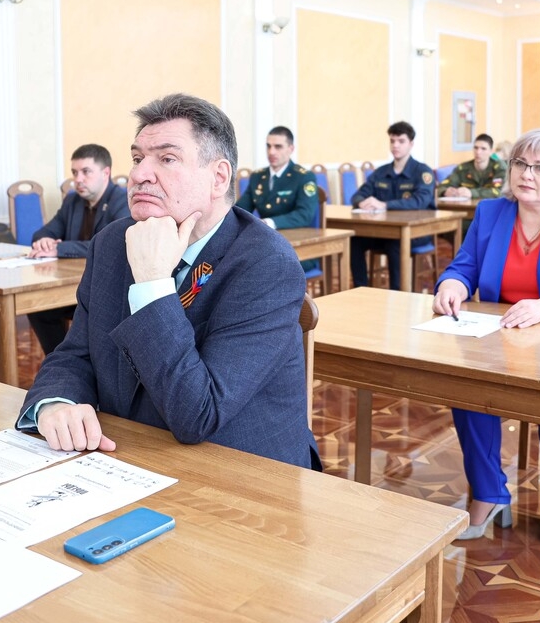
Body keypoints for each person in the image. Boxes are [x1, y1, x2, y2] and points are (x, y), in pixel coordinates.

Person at [17, 93, 319, 469]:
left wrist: (153, 283)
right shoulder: (112, 243)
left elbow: (198, 415)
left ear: (218, 178)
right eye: (138, 158)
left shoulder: (266, 264)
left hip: (241, 473)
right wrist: (55, 403)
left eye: (167, 159)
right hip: (132, 454)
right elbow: (76, 354)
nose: (139, 174)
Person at [433, 129, 540, 550]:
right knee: (466, 383)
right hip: (499, 336)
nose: (526, 174)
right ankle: (488, 492)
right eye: (520, 164)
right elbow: (464, 266)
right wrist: (452, 286)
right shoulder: (491, 211)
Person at [25, 144, 129, 354]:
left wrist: (60, 249)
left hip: (108, 290)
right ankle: (60, 362)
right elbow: (45, 231)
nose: (78, 179)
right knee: (38, 307)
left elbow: (110, 244)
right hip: (72, 284)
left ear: (105, 173)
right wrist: (44, 240)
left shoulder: (122, 201)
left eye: (85, 172)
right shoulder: (72, 201)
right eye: (74, 172)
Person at [349, 121, 436, 290]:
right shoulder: (381, 172)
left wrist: (384, 205)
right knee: (355, 240)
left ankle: (397, 293)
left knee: (396, 243)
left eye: (401, 141)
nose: (395, 145)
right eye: (392, 141)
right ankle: (361, 290)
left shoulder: (422, 172)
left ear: (411, 144)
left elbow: (420, 201)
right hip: (386, 231)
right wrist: (362, 202)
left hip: (417, 231)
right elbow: (358, 195)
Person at [235, 125, 319, 231]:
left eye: (278, 147)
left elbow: (304, 215)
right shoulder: (257, 176)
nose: (271, 152)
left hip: (294, 235)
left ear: (291, 149)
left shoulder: (304, 177)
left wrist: (269, 222)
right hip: (265, 235)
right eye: (268, 146)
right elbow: (241, 210)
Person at [438, 133, 506, 200]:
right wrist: (445, 191)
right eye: (476, 148)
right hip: (466, 206)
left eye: (483, 149)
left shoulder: (499, 168)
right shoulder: (463, 169)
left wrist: (472, 193)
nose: (478, 152)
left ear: (491, 151)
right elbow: (441, 187)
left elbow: (500, 191)